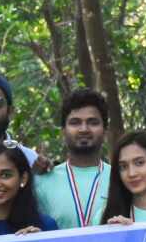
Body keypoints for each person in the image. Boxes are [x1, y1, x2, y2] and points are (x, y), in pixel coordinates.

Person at [41, 89, 112, 229]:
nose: (84, 129)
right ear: (63, 131)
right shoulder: (41, 182)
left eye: (92, 122)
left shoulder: (120, 179)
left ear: (105, 131)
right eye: (75, 122)